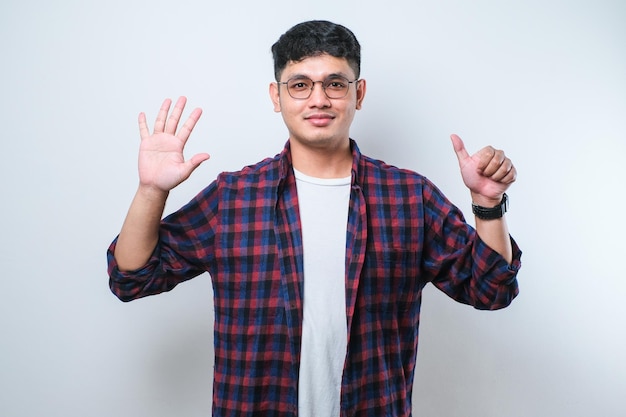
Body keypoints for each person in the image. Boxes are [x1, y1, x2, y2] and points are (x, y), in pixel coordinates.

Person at [107, 20, 521, 417]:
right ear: (277, 96)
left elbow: (489, 289)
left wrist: (487, 204)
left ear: (358, 93)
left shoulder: (409, 196)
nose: (318, 99)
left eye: (335, 84)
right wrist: (151, 190)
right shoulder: (233, 197)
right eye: (300, 85)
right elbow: (132, 277)